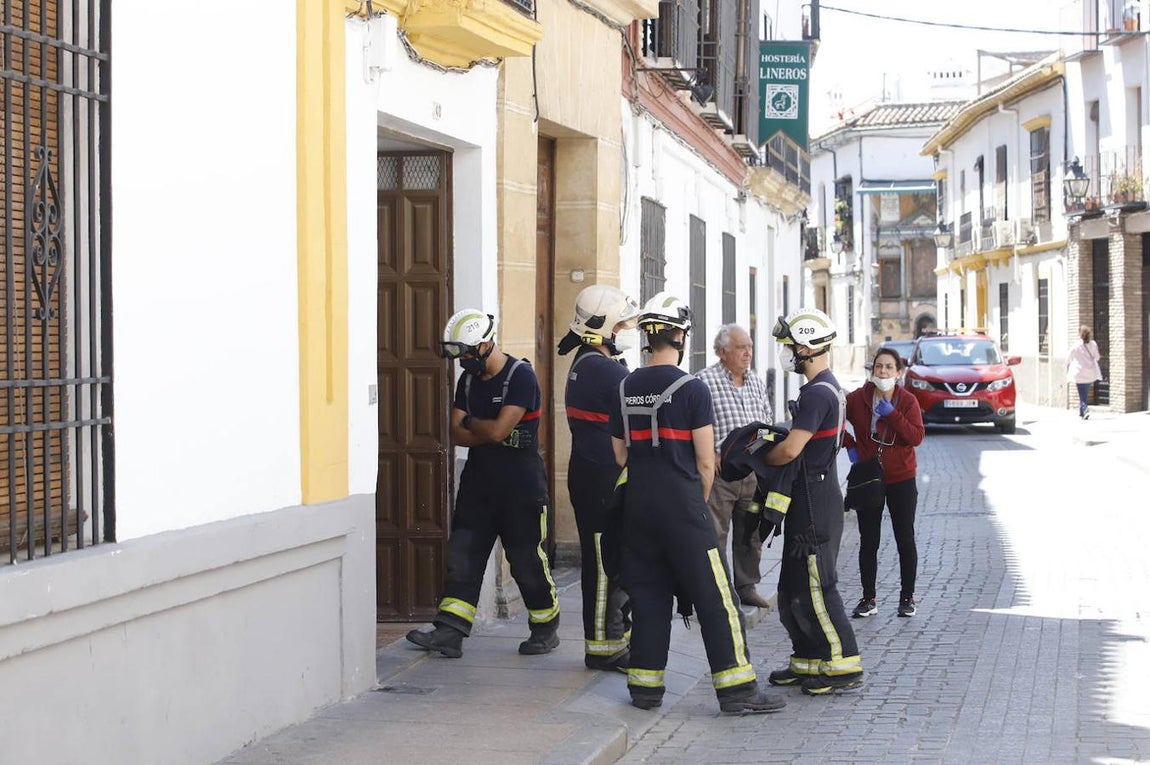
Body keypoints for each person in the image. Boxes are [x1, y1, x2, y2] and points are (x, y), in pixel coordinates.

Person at [609, 292, 784, 715]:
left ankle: (645, 690)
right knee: (716, 598)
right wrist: (693, 504)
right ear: (681, 337)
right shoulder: (692, 390)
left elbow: (619, 456)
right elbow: (707, 462)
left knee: (649, 597)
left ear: (650, 338)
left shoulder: (626, 385)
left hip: (638, 507)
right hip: (684, 508)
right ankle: (738, 690)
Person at [406, 308, 560, 658]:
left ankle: (545, 627)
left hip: (521, 488)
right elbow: (456, 433)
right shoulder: (469, 380)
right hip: (479, 485)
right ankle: (450, 631)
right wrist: (485, 429)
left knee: (526, 561)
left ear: (486, 344)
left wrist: (479, 425)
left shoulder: (521, 377)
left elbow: (497, 430)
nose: (462, 362)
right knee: (463, 554)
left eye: (466, 353)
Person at [763, 307, 864, 696]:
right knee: (793, 587)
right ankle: (806, 658)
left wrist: (761, 458)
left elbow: (790, 450)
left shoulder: (818, 393)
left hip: (814, 501)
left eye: (789, 346)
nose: (786, 353)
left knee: (819, 586)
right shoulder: (823, 389)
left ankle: (843, 663)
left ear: (806, 348)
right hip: (811, 499)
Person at [558, 284, 640, 672]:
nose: (627, 329)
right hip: (600, 479)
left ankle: (611, 639)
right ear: (601, 326)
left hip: (593, 474)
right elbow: (640, 402)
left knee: (606, 559)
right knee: (605, 562)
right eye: (622, 323)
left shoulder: (586, 362)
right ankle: (604, 647)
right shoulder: (603, 369)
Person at [842, 348, 925, 619]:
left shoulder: (908, 401)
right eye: (879, 367)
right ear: (872, 371)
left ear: (898, 373)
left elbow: (915, 436)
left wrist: (892, 414)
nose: (884, 372)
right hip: (869, 477)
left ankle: (907, 598)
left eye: (889, 367)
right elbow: (833, 416)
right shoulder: (858, 398)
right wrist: (850, 444)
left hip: (901, 476)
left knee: (905, 538)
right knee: (869, 540)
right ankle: (868, 598)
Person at [696, 325, 774, 609]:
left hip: (753, 472)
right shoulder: (704, 381)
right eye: (741, 347)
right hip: (720, 472)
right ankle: (716, 589)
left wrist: (762, 454)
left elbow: (767, 420)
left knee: (749, 532)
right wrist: (711, 452)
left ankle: (746, 586)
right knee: (715, 532)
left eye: (750, 347)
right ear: (722, 352)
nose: (747, 353)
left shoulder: (754, 382)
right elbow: (697, 424)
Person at [1066, 325, 1103, 419]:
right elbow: (1097, 357)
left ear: (1080, 334)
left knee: (1082, 393)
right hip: (1090, 372)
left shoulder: (1076, 345)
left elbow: (1069, 357)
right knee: (1084, 393)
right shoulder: (1093, 344)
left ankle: (1085, 410)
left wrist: (1067, 364)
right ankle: (1081, 412)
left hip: (1079, 373)